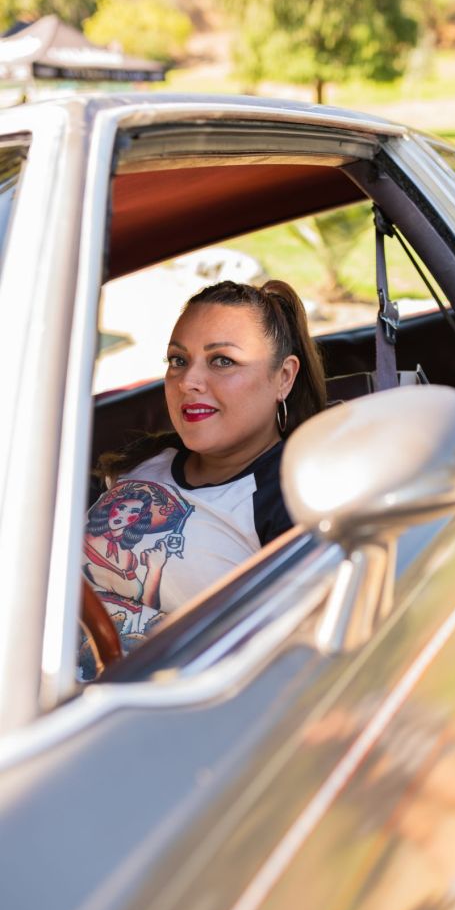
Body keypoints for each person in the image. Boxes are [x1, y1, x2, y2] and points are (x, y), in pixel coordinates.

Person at [82, 279, 326, 658]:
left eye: (222, 361)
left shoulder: (294, 500)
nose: (188, 382)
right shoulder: (146, 458)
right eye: (178, 360)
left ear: (284, 377)